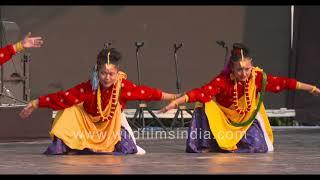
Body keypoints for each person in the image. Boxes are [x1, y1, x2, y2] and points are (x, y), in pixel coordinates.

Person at [160, 43, 320, 153]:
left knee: (260, 147)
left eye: (247, 69)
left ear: (252, 66)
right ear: (232, 69)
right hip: (221, 119)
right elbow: (200, 92)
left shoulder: (257, 77)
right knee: (203, 105)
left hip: (244, 120)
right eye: (239, 70)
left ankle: (230, 143)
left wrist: (311, 88)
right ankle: (212, 143)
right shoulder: (222, 82)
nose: (244, 73)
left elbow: (284, 83)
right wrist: (175, 102)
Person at [19, 47, 178, 155]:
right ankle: (75, 145)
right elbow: (63, 98)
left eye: (111, 74)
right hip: (86, 121)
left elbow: (145, 92)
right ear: (97, 71)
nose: (107, 78)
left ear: (117, 72)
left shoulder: (122, 86)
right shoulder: (89, 88)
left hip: (111, 124)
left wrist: (171, 97)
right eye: (103, 73)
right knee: (69, 110)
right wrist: (35, 103)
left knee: (129, 148)